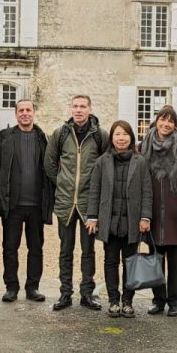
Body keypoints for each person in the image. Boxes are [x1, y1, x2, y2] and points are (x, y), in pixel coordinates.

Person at [44, 95, 108, 311]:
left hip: (89, 202)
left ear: (90, 109)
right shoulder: (60, 134)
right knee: (65, 250)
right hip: (65, 202)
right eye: (75, 106)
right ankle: (65, 293)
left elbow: (106, 164)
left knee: (88, 251)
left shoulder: (100, 135)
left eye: (83, 106)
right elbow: (49, 163)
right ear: (71, 109)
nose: (78, 110)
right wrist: (62, 182)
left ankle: (87, 294)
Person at [0, 99, 54, 303]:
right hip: (12, 205)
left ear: (34, 112)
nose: (25, 113)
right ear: (16, 114)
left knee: (36, 248)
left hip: (36, 205)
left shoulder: (43, 139)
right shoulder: (5, 138)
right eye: (21, 110)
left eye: (28, 110)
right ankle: (11, 287)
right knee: (10, 247)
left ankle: (32, 287)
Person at [85, 120, 152, 318]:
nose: (121, 138)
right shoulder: (102, 162)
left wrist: (146, 217)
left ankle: (128, 301)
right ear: (111, 138)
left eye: (125, 134)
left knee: (130, 262)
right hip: (110, 222)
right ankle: (114, 300)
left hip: (132, 221)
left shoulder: (140, 162)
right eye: (117, 134)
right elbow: (94, 190)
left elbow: (147, 191)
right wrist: (93, 217)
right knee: (110, 261)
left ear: (131, 137)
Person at [140, 106, 177, 316]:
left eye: (171, 121)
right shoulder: (144, 146)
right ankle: (158, 299)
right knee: (155, 258)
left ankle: (175, 302)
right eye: (162, 120)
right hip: (152, 209)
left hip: (175, 209)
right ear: (155, 122)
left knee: (175, 260)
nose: (166, 125)